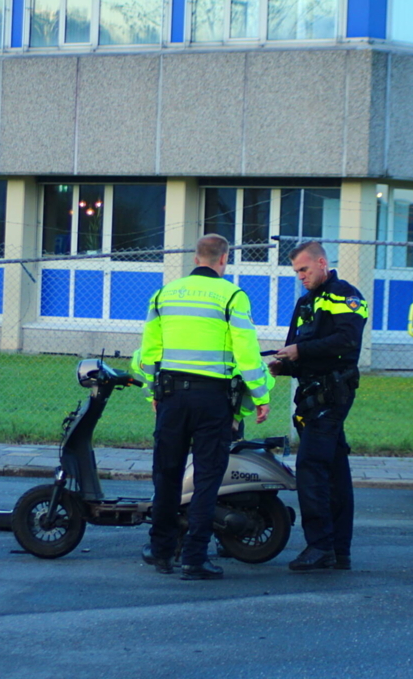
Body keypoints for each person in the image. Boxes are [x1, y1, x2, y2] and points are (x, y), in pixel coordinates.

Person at [138, 234, 271, 581]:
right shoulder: (233, 296)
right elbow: (246, 353)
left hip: (171, 397)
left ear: (196, 258)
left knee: (167, 474)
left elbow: (150, 351)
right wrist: (260, 396)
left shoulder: (164, 294)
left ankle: (161, 549)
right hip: (213, 400)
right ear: (223, 259)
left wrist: (154, 392)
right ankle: (194, 558)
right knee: (207, 478)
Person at [268, 241, 367, 572]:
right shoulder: (306, 302)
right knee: (335, 471)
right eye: (297, 271)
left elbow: (346, 341)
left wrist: (300, 352)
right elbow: (297, 347)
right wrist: (284, 364)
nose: (301, 276)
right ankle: (339, 550)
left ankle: (320, 546)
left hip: (333, 393)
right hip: (311, 394)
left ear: (322, 263)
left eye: (305, 269)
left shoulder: (346, 295)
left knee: (310, 466)